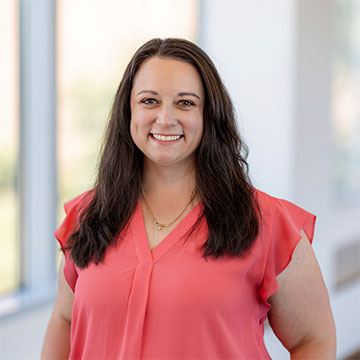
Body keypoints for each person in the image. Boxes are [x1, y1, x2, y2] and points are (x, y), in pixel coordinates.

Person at [41, 38, 336, 359]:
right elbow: (64, 320)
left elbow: (313, 339)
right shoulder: (89, 215)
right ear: (128, 110)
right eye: (149, 101)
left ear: (210, 114)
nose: (165, 118)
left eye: (185, 103)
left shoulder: (266, 221)